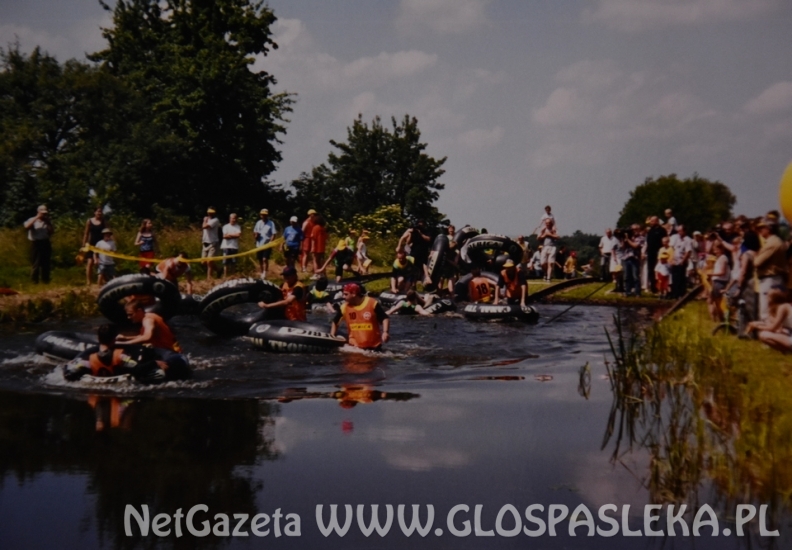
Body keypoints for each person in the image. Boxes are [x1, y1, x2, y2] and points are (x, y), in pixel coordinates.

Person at [63, 324, 140, 381]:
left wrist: (67, 366)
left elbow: (68, 374)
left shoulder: (87, 361)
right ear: (114, 339)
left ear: (98, 338)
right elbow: (138, 368)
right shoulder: (121, 357)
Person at [330, 283, 390, 350]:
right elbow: (335, 322)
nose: (343, 297)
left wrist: (385, 332)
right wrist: (332, 337)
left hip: (374, 346)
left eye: (346, 294)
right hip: (355, 347)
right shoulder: (344, 307)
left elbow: (384, 318)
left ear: (354, 294)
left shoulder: (372, 303)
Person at [754, 218, 789, 320]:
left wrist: (755, 255)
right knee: (773, 309)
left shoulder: (772, 243)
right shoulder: (776, 241)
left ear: (768, 229)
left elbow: (757, 262)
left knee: (766, 310)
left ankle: (768, 328)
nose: (759, 230)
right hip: (774, 278)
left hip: (770, 279)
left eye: (762, 227)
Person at [117, 300, 182, 352]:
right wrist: (125, 338)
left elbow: (147, 337)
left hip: (168, 351)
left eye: (131, 314)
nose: (128, 317)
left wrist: (126, 343)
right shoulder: (149, 316)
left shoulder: (148, 320)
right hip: (170, 349)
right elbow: (142, 336)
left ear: (139, 311)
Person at [746, 288, 792, 353]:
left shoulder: (783, 307)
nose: (766, 299)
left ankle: (788, 350)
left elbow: (772, 328)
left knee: (763, 335)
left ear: (772, 299)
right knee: (768, 333)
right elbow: (775, 326)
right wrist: (758, 323)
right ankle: (787, 351)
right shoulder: (782, 307)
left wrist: (756, 326)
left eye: (768, 297)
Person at [24, 205, 54, 284]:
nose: (44, 215)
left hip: (45, 242)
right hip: (36, 243)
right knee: (36, 263)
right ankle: (34, 281)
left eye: (45, 213)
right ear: (38, 212)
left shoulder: (47, 221)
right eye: (42, 213)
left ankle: (46, 280)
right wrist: (37, 218)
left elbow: (51, 232)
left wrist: (48, 222)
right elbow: (27, 227)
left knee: (46, 263)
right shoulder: (31, 220)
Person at [707, 241, 731, 323]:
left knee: (718, 302)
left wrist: (711, 274)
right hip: (716, 281)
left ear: (721, 249)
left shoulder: (723, 258)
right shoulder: (719, 258)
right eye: (714, 250)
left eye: (716, 250)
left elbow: (722, 272)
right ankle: (715, 319)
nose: (715, 252)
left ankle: (722, 319)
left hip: (720, 282)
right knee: (711, 300)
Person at [82, 207, 106, 285]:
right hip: (91, 245)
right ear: (94, 212)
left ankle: (102, 280)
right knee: (90, 262)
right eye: (98, 211)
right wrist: (83, 244)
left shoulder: (104, 221)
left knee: (102, 262)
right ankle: (89, 281)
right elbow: (86, 233)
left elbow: (108, 232)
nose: (99, 213)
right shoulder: (89, 221)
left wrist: (111, 242)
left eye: (101, 211)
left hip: (102, 244)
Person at [669, 224, 693, 299]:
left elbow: (688, 251)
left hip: (681, 261)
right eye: (678, 231)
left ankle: (680, 293)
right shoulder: (676, 238)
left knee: (681, 278)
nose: (679, 232)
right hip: (674, 261)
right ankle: (674, 293)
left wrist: (683, 261)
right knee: (674, 278)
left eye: (680, 231)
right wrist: (671, 259)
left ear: (684, 231)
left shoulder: (688, 240)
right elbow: (672, 248)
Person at [645, 216, 667, 293]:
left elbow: (664, 241)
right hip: (650, 253)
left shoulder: (662, 230)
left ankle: (660, 287)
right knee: (651, 270)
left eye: (652, 221)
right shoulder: (650, 230)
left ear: (656, 221)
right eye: (650, 221)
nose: (650, 223)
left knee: (659, 270)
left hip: (658, 253)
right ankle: (653, 287)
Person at [253, 208, 277, 279]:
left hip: (267, 244)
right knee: (260, 259)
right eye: (262, 215)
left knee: (265, 259)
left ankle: (265, 272)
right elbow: (255, 232)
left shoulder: (271, 223)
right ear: (260, 215)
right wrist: (256, 235)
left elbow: (273, 234)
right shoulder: (258, 223)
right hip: (259, 244)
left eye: (265, 215)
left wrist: (270, 242)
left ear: (267, 215)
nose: (263, 216)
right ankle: (261, 272)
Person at [201, 207, 221, 280]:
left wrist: (204, 220)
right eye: (209, 212)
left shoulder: (215, 220)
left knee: (210, 261)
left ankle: (209, 278)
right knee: (203, 262)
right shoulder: (207, 219)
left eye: (212, 212)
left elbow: (205, 226)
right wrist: (205, 220)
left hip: (213, 243)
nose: (210, 214)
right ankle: (219, 270)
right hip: (205, 242)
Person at [221, 213, 241, 278]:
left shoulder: (238, 227)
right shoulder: (225, 226)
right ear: (230, 219)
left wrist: (229, 235)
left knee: (233, 262)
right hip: (226, 246)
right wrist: (233, 235)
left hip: (234, 247)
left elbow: (238, 235)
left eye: (235, 218)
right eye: (233, 218)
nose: (234, 220)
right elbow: (224, 236)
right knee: (225, 262)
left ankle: (233, 276)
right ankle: (225, 276)